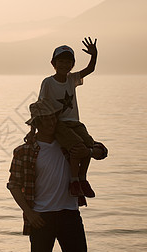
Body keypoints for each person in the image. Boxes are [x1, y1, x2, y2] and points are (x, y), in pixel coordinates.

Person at [7, 101, 107, 252]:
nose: (51, 122)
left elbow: (102, 151)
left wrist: (88, 152)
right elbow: (13, 185)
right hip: (40, 218)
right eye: (45, 119)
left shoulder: (69, 144)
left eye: (53, 117)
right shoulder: (24, 151)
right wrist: (30, 213)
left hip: (70, 214)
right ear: (37, 123)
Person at [25, 37, 99, 198]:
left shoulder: (72, 79)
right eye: (61, 61)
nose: (64, 65)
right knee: (77, 147)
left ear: (72, 65)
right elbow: (41, 105)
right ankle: (74, 181)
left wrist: (94, 55)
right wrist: (33, 130)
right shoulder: (48, 83)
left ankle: (82, 178)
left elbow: (90, 69)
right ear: (53, 63)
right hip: (59, 124)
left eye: (68, 62)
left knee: (89, 145)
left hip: (75, 122)